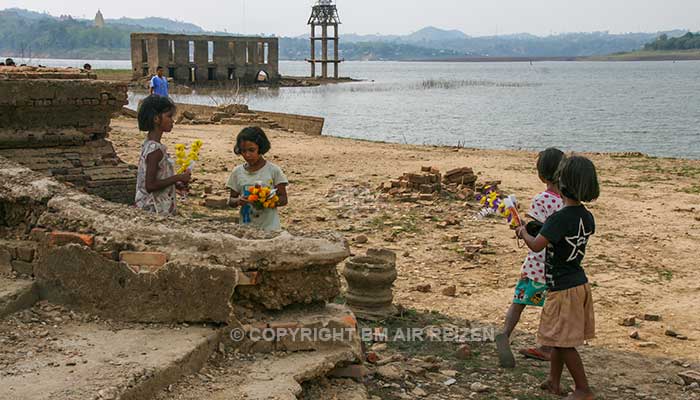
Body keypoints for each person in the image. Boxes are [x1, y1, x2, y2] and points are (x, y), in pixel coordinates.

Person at [515, 156, 599, 400]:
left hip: (561, 289)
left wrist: (523, 232)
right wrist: (537, 230)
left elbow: (537, 246)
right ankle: (553, 381)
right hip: (578, 283)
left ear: (561, 184)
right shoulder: (586, 217)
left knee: (563, 343)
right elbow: (559, 237)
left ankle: (583, 389)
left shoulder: (558, 218)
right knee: (558, 338)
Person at [496, 148, 566, 368]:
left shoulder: (541, 199)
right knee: (552, 308)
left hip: (537, 263)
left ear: (541, 175)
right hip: (558, 266)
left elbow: (536, 231)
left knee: (519, 300)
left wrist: (520, 229)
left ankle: (505, 334)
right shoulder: (568, 200)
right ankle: (547, 347)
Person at [134, 95, 190, 215]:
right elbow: (150, 185)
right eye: (169, 116)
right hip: (153, 210)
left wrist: (175, 184)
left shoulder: (149, 145)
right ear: (156, 119)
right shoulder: (155, 150)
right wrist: (178, 177)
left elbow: (157, 178)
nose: (172, 120)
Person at [226, 127, 288, 231]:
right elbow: (231, 201)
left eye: (251, 150)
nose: (247, 155)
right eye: (243, 151)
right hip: (246, 229)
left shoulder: (273, 171)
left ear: (261, 148)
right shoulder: (237, 172)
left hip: (270, 228)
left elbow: (284, 199)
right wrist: (238, 201)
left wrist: (268, 201)